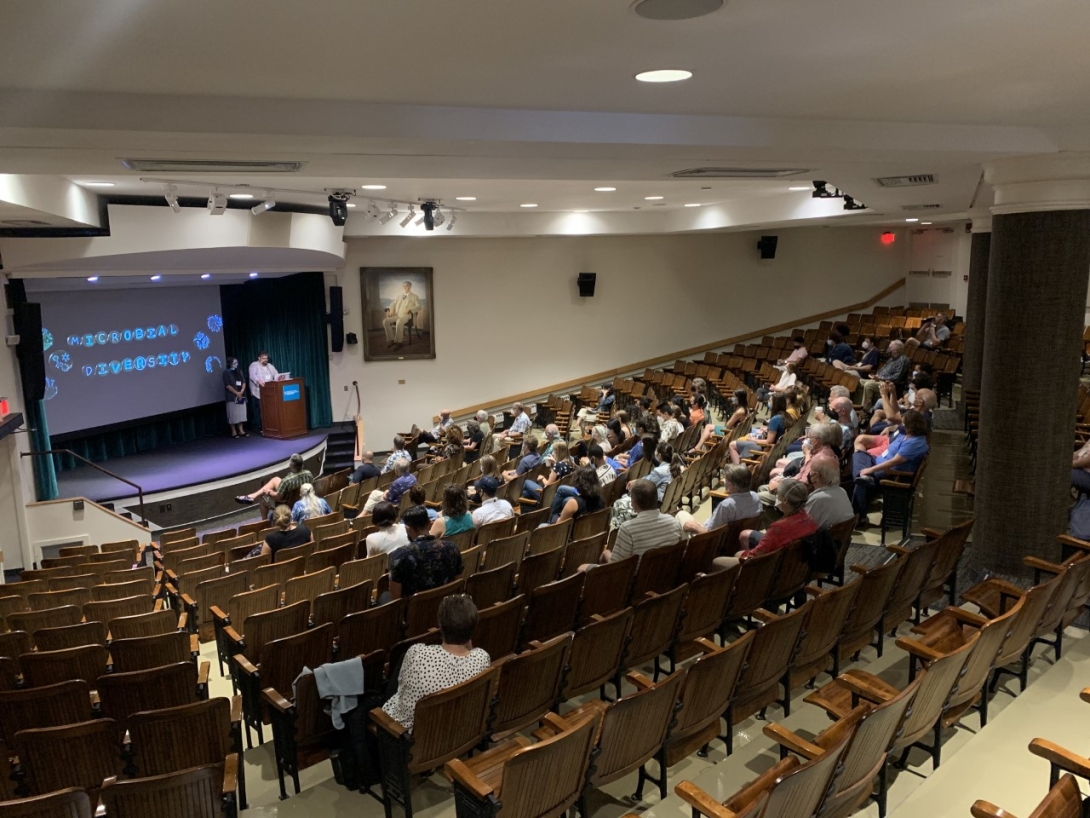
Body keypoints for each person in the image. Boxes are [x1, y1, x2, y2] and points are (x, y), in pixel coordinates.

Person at [381, 594, 490, 731]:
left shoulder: (417, 654)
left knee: (402, 660)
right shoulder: (482, 658)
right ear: (472, 629)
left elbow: (401, 687)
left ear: (441, 626)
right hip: (453, 733)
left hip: (405, 736)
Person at [713, 479, 817, 571]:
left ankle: (745, 579)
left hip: (774, 566)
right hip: (790, 561)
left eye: (778, 494)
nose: (776, 497)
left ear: (784, 500)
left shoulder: (778, 528)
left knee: (718, 561)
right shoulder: (809, 518)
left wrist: (741, 555)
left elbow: (756, 554)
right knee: (745, 535)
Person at [851, 409, 931, 526]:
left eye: (904, 423)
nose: (902, 425)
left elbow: (894, 461)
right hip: (877, 462)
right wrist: (889, 428)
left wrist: (871, 469)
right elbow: (895, 427)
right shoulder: (907, 434)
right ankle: (862, 477)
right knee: (858, 455)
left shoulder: (915, 443)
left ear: (912, 426)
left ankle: (859, 517)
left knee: (861, 480)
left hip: (890, 472)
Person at [594, 479, 682, 567]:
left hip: (636, 578)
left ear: (633, 503)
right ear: (656, 499)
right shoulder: (673, 522)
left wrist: (606, 553)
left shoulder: (628, 529)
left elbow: (615, 567)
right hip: (667, 574)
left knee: (582, 568)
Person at [388, 506, 463, 599]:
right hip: (446, 607)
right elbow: (458, 584)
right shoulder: (452, 548)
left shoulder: (400, 556)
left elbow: (396, 599)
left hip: (413, 612)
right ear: (429, 524)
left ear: (408, 529)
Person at [677, 464, 760, 536]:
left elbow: (711, 533)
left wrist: (696, 527)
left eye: (726, 479)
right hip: (733, 537)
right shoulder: (756, 497)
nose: (724, 481)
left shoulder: (727, 505)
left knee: (680, 515)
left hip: (708, 540)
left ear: (731, 485)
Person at [236, 453, 312, 505]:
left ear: (291, 465)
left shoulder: (287, 480)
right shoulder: (309, 474)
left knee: (263, 499)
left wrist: (269, 492)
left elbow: (278, 497)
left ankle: (264, 521)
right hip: (304, 498)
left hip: (287, 503)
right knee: (275, 479)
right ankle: (252, 496)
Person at [731, 394, 788, 464]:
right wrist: (768, 429)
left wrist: (753, 440)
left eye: (770, 401)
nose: (768, 402)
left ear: (775, 404)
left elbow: (769, 442)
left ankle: (737, 469)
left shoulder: (775, 419)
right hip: (775, 448)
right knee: (748, 436)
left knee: (732, 445)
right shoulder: (785, 416)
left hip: (766, 448)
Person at [804, 456, 855, 530]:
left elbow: (802, 526)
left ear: (816, 476)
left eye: (811, 470)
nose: (809, 473)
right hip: (840, 538)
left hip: (824, 540)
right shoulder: (842, 491)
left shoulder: (818, 499)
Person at [860, 340, 910, 410]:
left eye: (890, 348)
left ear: (896, 350)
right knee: (860, 382)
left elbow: (896, 377)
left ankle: (867, 410)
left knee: (869, 385)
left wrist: (880, 378)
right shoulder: (891, 359)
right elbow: (882, 370)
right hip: (880, 380)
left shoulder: (903, 360)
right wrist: (876, 376)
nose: (888, 349)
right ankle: (860, 406)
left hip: (891, 385)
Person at [383, 280, 421, 351]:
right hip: (397, 314)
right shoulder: (399, 295)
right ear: (403, 287)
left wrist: (410, 309)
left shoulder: (414, 296)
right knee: (385, 321)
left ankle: (398, 342)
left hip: (407, 316)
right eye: (404, 286)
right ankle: (392, 340)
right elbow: (393, 303)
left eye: (407, 286)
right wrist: (391, 309)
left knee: (399, 321)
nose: (406, 288)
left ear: (410, 287)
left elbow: (419, 306)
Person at [248, 351, 279, 432]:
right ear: (259, 358)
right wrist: (258, 380)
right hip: (258, 392)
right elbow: (252, 375)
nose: (265, 360)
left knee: (271, 410)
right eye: (263, 358)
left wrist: (279, 378)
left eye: (266, 358)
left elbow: (276, 374)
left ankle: (272, 426)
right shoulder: (254, 365)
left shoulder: (270, 366)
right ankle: (264, 428)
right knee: (262, 410)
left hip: (270, 392)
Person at [223, 357, 247, 438]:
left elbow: (243, 382)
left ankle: (241, 430)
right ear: (230, 364)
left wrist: (241, 391)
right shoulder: (226, 372)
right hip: (232, 396)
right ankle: (233, 431)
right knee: (233, 414)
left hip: (240, 395)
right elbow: (227, 385)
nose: (236, 364)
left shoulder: (240, 371)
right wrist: (236, 392)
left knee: (240, 413)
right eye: (234, 363)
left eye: (237, 362)